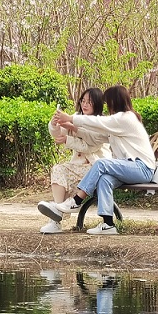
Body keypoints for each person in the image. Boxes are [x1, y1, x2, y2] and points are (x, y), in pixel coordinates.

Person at [37, 85, 156, 235]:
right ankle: (108, 224)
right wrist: (73, 127)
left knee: (101, 163)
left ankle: (76, 202)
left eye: (108, 102)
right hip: (128, 168)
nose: (107, 106)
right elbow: (96, 137)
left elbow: (98, 124)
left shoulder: (126, 118)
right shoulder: (116, 123)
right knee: (104, 179)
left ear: (115, 101)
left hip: (141, 168)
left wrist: (71, 118)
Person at [39, 88, 111, 234]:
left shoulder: (101, 122)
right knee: (58, 169)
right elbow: (58, 133)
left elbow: (90, 147)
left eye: (89, 102)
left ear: (96, 104)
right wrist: (54, 124)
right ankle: (56, 217)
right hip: (77, 166)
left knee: (67, 171)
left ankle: (56, 216)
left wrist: (68, 139)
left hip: (96, 167)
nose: (85, 105)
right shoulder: (75, 117)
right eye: (83, 101)